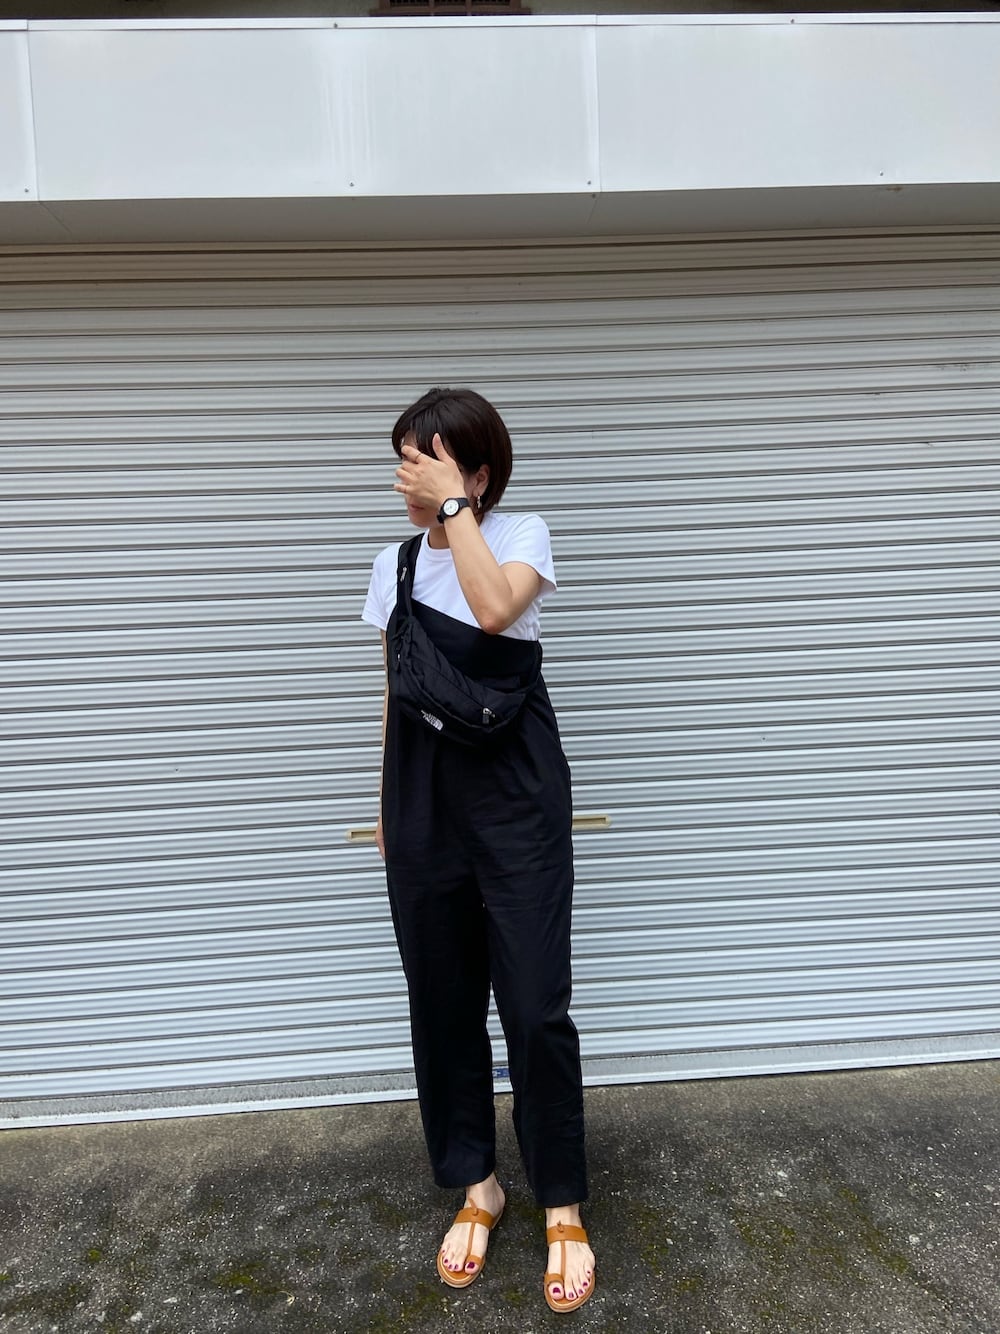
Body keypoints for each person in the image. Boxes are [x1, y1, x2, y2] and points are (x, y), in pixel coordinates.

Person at [362, 387, 596, 1313]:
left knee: (535, 1006)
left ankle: (561, 1199)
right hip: (424, 796)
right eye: (402, 460)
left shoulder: (520, 534)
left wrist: (455, 510)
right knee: (442, 1000)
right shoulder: (393, 565)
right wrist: (386, 804)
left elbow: (496, 611)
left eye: (423, 459)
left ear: (477, 471)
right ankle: (479, 1184)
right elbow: (395, 689)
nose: (406, 477)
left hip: (516, 791)